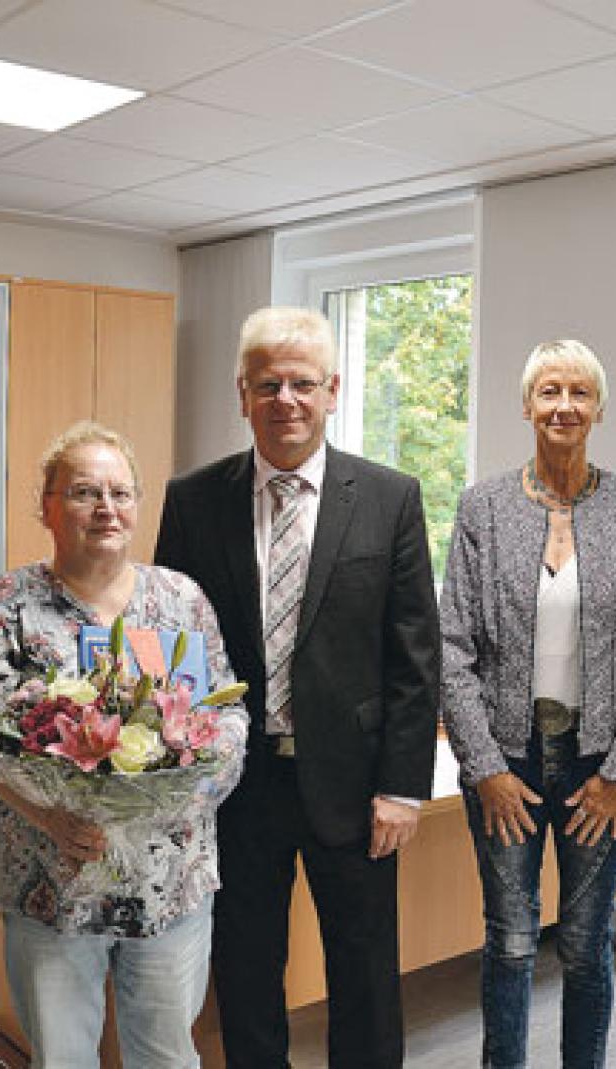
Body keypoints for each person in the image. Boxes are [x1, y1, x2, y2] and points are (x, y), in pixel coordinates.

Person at [154, 306, 441, 1067]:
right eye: (268, 384)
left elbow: (415, 656)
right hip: (236, 784)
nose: (285, 399)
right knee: (246, 969)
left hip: (355, 784)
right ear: (241, 394)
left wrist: (402, 787)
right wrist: (182, 773)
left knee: (365, 972)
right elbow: (174, 645)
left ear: (332, 391)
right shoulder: (193, 500)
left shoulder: (389, 497)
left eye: (302, 384)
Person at [0, 421, 248, 1068]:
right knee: (62, 1056)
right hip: (50, 877)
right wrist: (51, 817)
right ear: (47, 506)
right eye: (84, 492)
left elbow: (227, 716)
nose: (105, 508)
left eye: (120, 492)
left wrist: (188, 793)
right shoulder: (7, 606)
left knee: (166, 1054)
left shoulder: (181, 600)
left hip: (169, 875)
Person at [440, 339, 616, 1068]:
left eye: (579, 392)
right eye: (549, 391)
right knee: (511, 941)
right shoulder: (483, 507)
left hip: (597, 765)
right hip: (507, 762)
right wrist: (484, 768)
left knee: (585, 943)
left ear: (599, 408)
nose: (564, 406)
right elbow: (452, 647)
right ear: (526, 406)